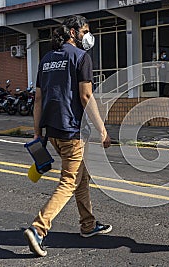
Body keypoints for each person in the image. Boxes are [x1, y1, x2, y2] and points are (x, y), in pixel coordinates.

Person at [23, 15, 111, 257]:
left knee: (81, 179)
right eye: (86, 30)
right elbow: (86, 97)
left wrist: (37, 132)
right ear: (73, 32)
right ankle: (38, 229)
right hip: (72, 130)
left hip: (53, 131)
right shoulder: (81, 58)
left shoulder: (47, 59)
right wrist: (102, 130)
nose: (88, 35)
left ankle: (88, 225)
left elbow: (38, 99)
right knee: (69, 182)